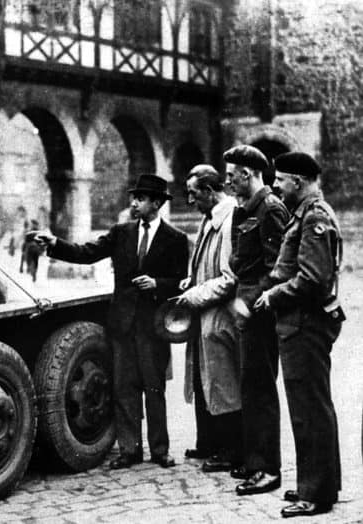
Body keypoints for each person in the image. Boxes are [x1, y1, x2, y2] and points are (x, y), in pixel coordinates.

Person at [33, 174, 188, 469]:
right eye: (134, 198)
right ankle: (129, 450)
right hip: (122, 326)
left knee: (154, 389)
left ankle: (159, 450)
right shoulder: (121, 232)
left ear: (156, 203)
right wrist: (55, 245)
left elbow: (180, 282)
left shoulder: (176, 239)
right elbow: (87, 253)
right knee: (124, 388)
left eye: (140, 199)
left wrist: (157, 283)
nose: (134, 203)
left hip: (153, 329)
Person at [254, 152, 344, 518]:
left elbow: (312, 279)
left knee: (310, 410)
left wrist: (272, 295)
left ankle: (317, 493)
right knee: (306, 409)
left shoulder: (315, 218)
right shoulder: (304, 215)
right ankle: (316, 485)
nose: (276, 186)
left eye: (281, 180)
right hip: (297, 324)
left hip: (306, 324)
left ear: (300, 181)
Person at [223, 145, 289, 496]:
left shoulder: (269, 209)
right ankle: (254, 460)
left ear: (247, 175)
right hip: (246, 306)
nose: (229, 182)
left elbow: (279, 267)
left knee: (261, 388)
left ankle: (268, 469)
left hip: (260, 311)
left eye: (232, 176)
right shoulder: (246, 208)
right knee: (250, 385)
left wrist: (250, 301)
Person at [176, 164, 242, 473]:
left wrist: (195, 293)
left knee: (222, 384)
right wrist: (191, 282)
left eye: (193, 194)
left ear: (209, 191)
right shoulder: (209, 220)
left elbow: (230, 279)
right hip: (205, 314)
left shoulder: (229, 222)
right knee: (205, 381)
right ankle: (210, 443)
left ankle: (229, 450)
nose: (190, 201)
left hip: (219, 317)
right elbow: (204, 266)